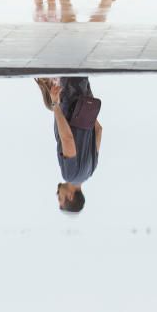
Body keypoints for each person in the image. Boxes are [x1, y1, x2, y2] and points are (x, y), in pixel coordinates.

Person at [44, 77, 102, 212]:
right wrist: (55, 104)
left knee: (78, 63)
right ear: (70, 197)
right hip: (67, 99)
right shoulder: (70, 175)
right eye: (60, 198)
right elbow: (68, 139)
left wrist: (87, 110)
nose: (57, 194)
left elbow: (98, 131)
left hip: (83, 95)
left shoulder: (90, 171)